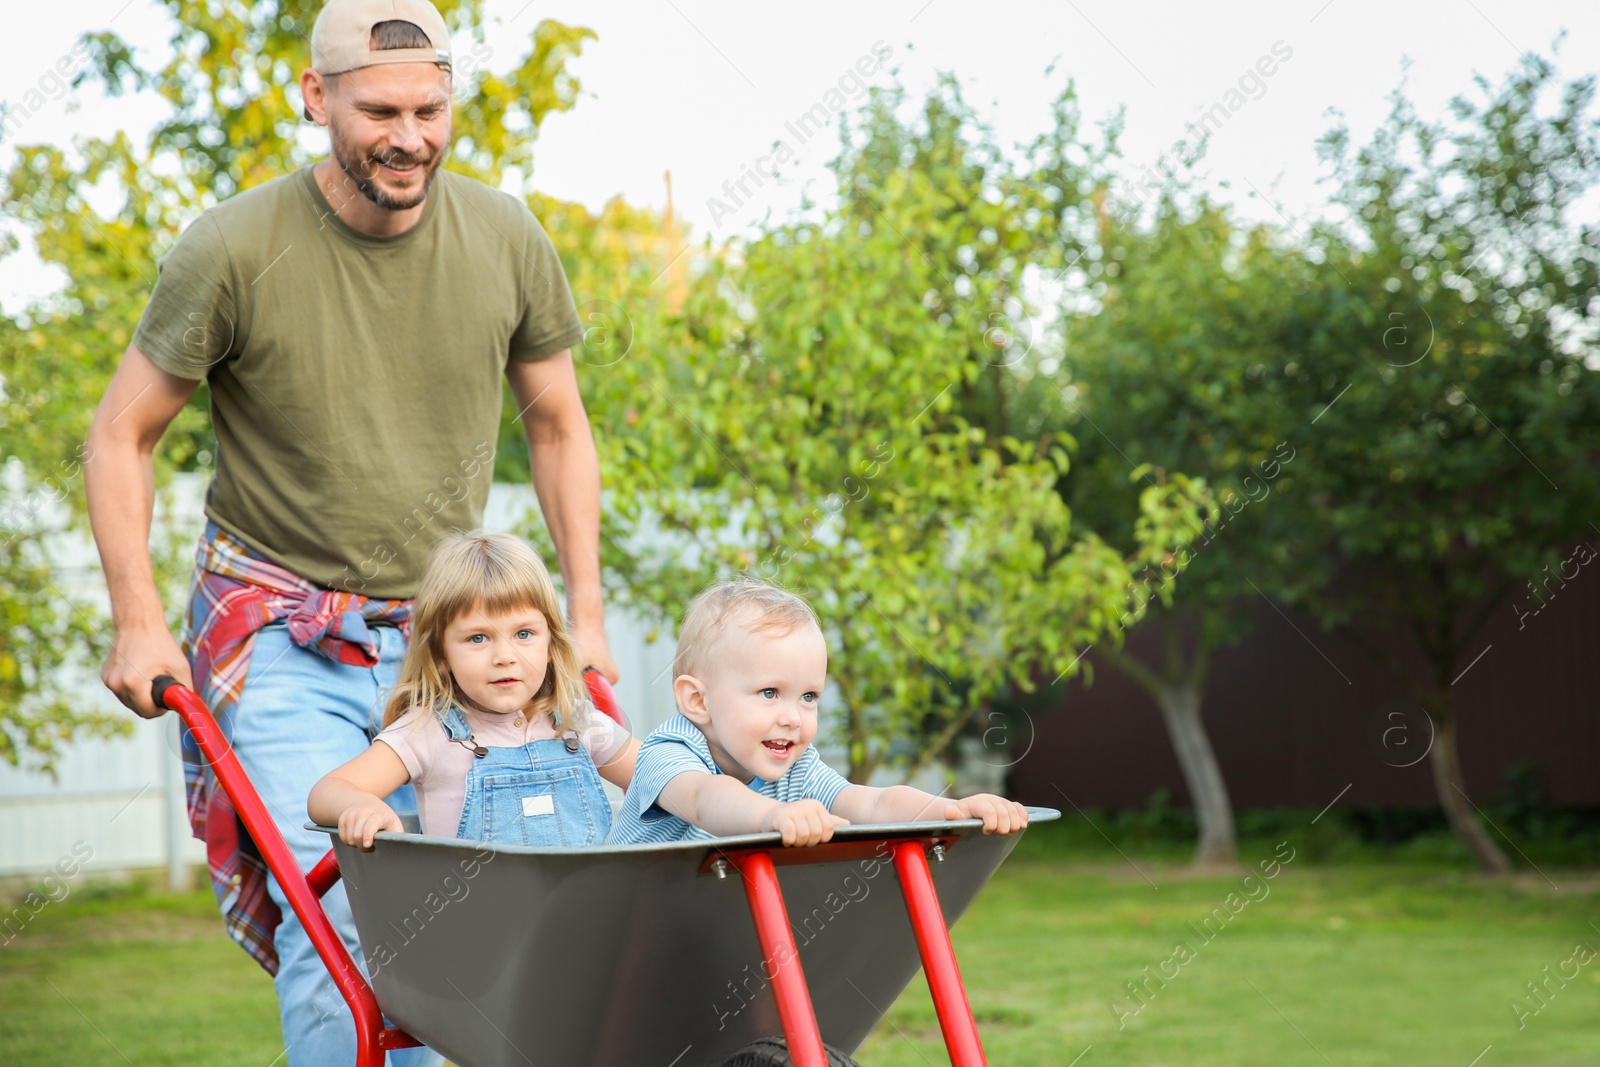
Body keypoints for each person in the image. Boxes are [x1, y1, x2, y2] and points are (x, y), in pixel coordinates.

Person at [82, 2, 616, 1063]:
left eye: (429, 108)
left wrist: (585, 618)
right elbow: (118, 434)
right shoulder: (233, 246)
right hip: (279, 630)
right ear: (316, 98)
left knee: (458, 928)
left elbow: (557, 421)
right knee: (338, 928)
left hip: (442, 642)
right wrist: (139, 620)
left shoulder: (505, 234)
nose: (408, 135)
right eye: (379, 109)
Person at [606, 580, 1030, 846]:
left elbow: (873, 803)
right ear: (698, 701)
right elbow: (704, 801)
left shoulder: (795, 768)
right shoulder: (669, 753)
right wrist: (770, 816)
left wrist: (952, 810)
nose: (793, 717)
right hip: (626, 922)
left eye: (809, 697)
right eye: (770, 692)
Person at [309, 532, 639, 847]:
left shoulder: (575, 722)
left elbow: (661, 772)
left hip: (587, 903)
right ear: (441, 655)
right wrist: (360, 804)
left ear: (551, 643)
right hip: (477, 905)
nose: (505, 657)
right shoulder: (429, 733)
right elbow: (328, 790)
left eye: (524, 633)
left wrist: (690, 790)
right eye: (478, 638)